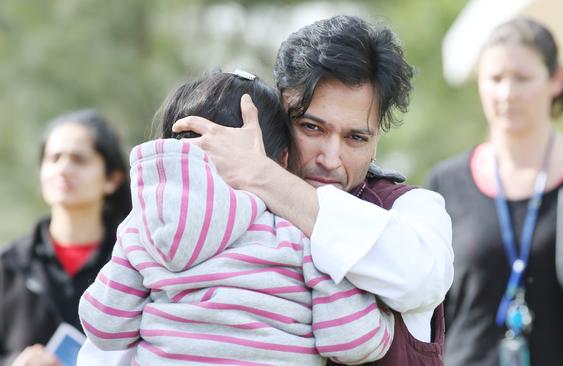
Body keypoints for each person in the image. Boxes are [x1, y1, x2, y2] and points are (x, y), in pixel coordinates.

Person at [171, 15, 453, 365]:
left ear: (377, 139)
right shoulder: (217, 207)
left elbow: (418, 278)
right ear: (278, 113)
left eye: (355, 138)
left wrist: (263, 175)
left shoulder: (412, 209)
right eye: (311, 127)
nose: (330, 158)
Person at [79, 70, 395, 365]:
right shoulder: (301, 230)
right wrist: (387, 316)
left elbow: (106, 327)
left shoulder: (143, 230)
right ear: (281, 159)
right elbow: (353, 340)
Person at [427, 17, 563, 366]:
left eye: (522, 78)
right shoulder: (445, 183)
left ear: (556, 80)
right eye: (496, 79)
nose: (507, 93)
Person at [0, 109, 130, 366]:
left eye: (79, 159)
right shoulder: (7, 266)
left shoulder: (133, 264)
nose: (63, 168)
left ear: (112, 179)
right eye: (54, 158)